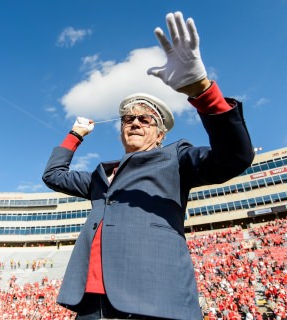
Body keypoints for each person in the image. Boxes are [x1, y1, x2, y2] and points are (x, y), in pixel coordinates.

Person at [42, 11, 254, 320]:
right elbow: (53, 175)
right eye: (129, 119)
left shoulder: (175, 157)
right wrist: (75, 136)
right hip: (92, 305)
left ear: (160, 132)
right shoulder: (100, 177)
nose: (136, 123)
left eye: (146, 119)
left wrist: (201, 91)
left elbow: (234, 157)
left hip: (154, 300)